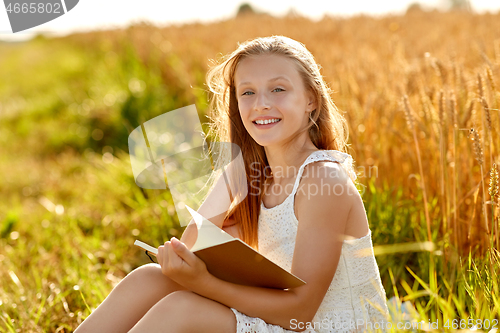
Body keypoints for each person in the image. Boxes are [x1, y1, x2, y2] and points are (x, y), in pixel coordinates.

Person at [74, 35, 389, 333]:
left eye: (278, 89)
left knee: (182, 309)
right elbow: (190, 252)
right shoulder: (251, 174)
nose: (260, 104)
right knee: (149, 279)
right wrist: (234, 176)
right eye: (247, 92)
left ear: (311, 101)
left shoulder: (323, 181)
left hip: (324, 326)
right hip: (284, 318)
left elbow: (300, 313)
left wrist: (205, 284)